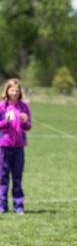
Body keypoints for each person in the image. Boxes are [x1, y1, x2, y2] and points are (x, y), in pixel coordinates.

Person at [0, 78, 32, 214]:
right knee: (3, 176)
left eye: (16, 91)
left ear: (20, 93)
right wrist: (5, 121)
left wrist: (25, 122)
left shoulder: (24, 107)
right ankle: (2, 205)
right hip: (4, 146)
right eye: (11, 90)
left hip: (19, 147)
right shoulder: (2, 106)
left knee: (17, 177)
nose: (14, 93)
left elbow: (28, 126)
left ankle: (18, 206)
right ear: (7, 91)